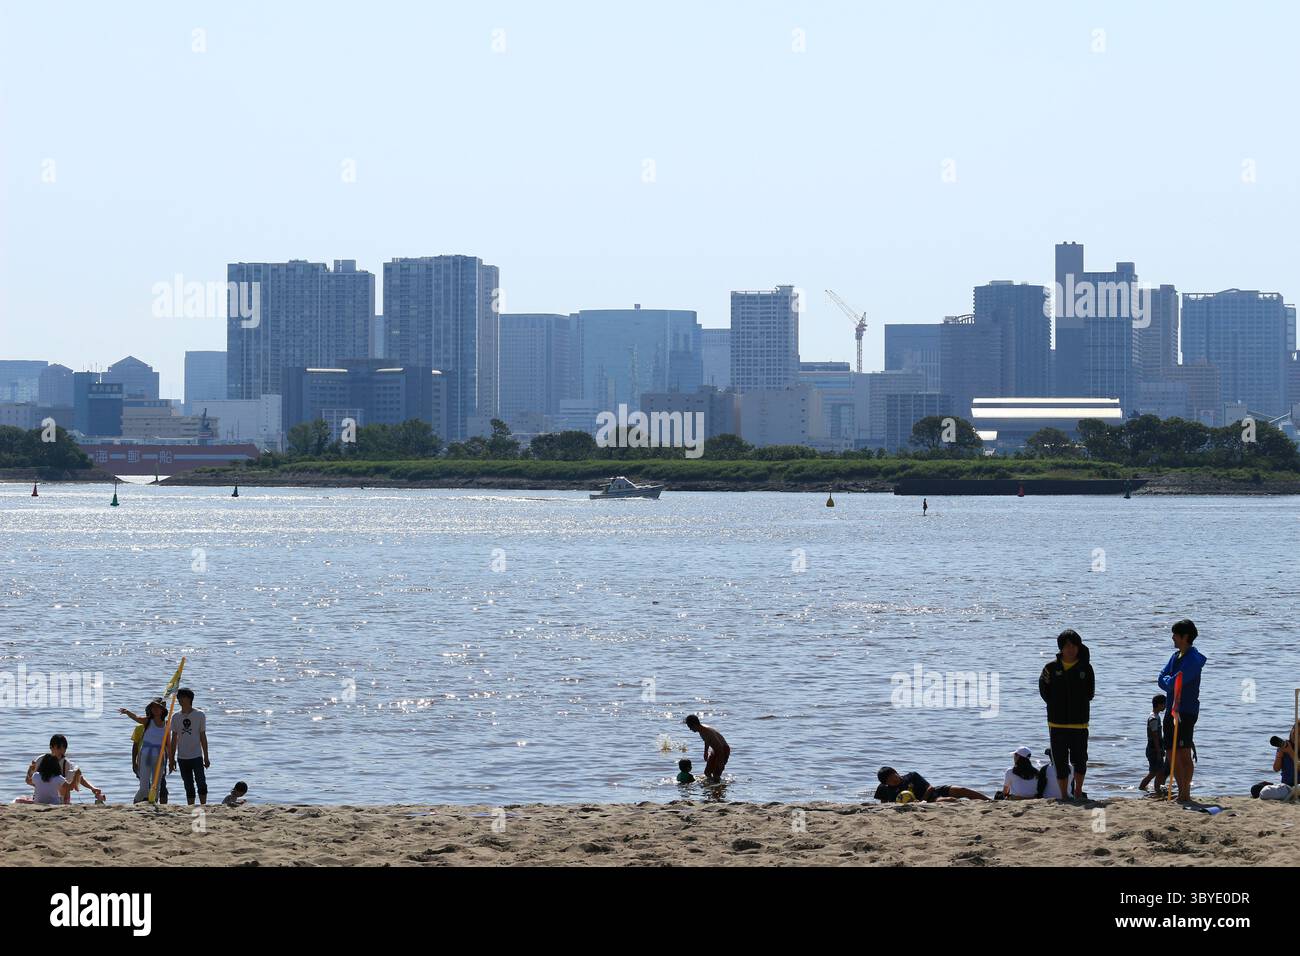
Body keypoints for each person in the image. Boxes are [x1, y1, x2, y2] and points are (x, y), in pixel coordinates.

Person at [1039, 628, 1095, 801]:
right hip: (1057, 723)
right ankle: (1064, 795)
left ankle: (1078, 791)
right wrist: (1056, 705)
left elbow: (1090, 693)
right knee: (1060, 763)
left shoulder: (1086, 667)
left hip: (1079, 723)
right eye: (1067, 646)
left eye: (1074, 646)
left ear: (1079, 647)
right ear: (1061, 648)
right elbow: (1044, 691)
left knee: (1080, 761)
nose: (1071, 649)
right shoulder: (1050, 668)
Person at [1157, 619, 1207, 803]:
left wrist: (1169, 680)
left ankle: (1185, 792)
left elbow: (1173, 682)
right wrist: (1168, 680)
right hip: (1171, 710)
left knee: (1183, 752)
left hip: (1186, 710)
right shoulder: (1175, 656)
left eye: (1176, 635)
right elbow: (1162, 678)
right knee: (1170, 752)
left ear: (1185, 637)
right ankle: (1181, 790)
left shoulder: (1193, 659)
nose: (1173, 638)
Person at [28, 734, 103, 805]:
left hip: (61, 797)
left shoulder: (66, 763)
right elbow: (32, 780)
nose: (62, 751)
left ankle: (64, 801)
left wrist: (92, 788)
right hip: (41, 796)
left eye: (64, 748)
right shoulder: (41, 760)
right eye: (59, 748)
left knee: (72, 773)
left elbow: (80, 777)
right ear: (51, 747)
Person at [123, 699, 173, 803]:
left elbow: (168, 745)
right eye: (153, 707)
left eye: (157, 707)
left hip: (160, 756)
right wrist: (127, 712)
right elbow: (136, 718)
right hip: (146, 755)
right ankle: (136, 802)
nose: (155, 709)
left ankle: (153, 804)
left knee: (156, 786)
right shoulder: (148, 721)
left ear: (162, 710)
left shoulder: (167, 725)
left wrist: (171, 761)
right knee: (144, 787)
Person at [168, 688, 209, 805]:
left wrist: (206, 757)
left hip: (196, 755)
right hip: (182, 757)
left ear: (189, 698)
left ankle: (203, 806)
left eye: (182, 697)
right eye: (178, 697)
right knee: (188, 784)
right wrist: (171, 759)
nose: (179, 699)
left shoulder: (199, 714)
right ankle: (190, 806)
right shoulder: (176, 716)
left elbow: (203, 737)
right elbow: (173, 739)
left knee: (201, 783)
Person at [874, 766, 988, 803]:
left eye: (894, 776)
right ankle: (962, 804)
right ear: (886, 783)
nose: (895, 780)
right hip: (931, 801)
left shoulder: (911, 776)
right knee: (949, 800)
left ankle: (990, 801)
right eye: (890, 780)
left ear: (896, 772)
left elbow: (930, 787)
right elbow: (884, 804)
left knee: (962, 790)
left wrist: (922, 800)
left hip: (930, 794)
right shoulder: (883, 788)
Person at [683, 714, 730, 781]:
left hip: (723, 750)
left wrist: (720, 761)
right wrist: (705, 752)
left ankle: (718, 788)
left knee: (716, 773)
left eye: (690, 727)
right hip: (715, 750)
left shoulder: (707, 732)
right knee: (707, 772)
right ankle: (711, 787)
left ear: (695, 724)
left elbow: (719, 747)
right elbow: (707, 740)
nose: (690, 729)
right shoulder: (701, 730)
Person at [1139, 694, 1168, 793]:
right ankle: (1142, 787)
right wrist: (1159, 751)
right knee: (1153, 772)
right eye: (1164, 704)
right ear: (1159, 705)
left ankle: (1157, 789)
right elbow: (1155, 736)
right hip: (1154, 749)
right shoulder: (1154, 718)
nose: (1165, 706)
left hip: (1156, 749)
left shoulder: (1156, 716)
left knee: (1159, 771)